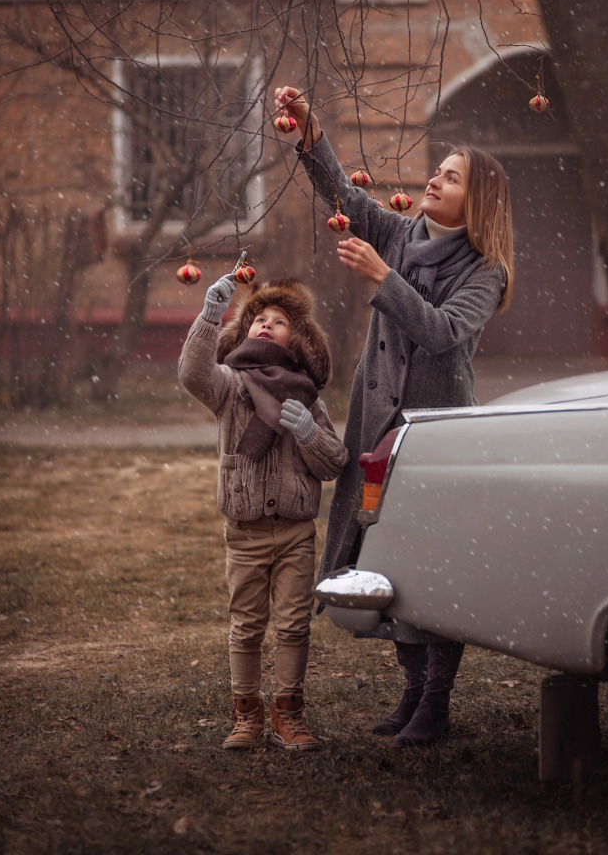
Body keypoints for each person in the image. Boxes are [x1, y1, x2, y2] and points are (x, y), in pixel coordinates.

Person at [273, 83, 514, 748]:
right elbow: (345, 199)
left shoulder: (484, 270)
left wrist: (384, 279)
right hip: (377, 422)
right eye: (437, 171)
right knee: (387, 563)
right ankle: (411, 688)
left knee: (431, 565)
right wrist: (310, 133)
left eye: (451, 176)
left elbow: (441, 333)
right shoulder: (401, 230)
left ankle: (435, 699)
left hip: (433, 435)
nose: (434, 179)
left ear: (478, 199)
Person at [178, 275, 348, 751]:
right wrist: (211, 317)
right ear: (244, 330)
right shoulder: (229, 386)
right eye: (258, 319)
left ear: (299, 340)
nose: (267, 325)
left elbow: (334, 461)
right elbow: (193, 373)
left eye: (280, 321)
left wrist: (308, 434)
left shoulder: (306, 397)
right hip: (245, 530)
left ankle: (288, 713)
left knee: (294, 624)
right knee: (247, 625)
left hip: (295, 531)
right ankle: (246, 714)